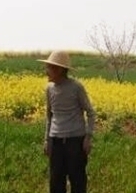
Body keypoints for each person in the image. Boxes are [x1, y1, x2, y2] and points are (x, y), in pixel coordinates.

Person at [38, 51, 96, 193]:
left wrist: (88, 138)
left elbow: (90, 112)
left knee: (78, 181)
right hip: (56, 141)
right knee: (56, 181)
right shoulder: (49, 89)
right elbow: (49, 116)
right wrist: (47, 140)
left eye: (49, 68)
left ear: (59, 70)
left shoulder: (76, 87)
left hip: (75, 142)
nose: (46, 72)